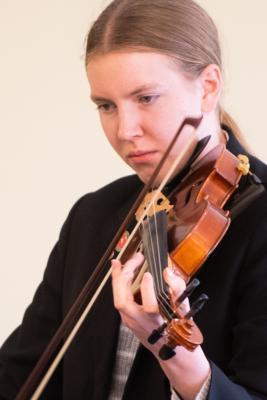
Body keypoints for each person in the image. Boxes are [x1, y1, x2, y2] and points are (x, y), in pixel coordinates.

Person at [1, 0, 267, 399]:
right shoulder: (94, 215)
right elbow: (19, 375)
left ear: (208, 86)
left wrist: (175, 354)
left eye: (145, 98)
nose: (124, 130)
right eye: (106, 105)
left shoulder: (259, 219)